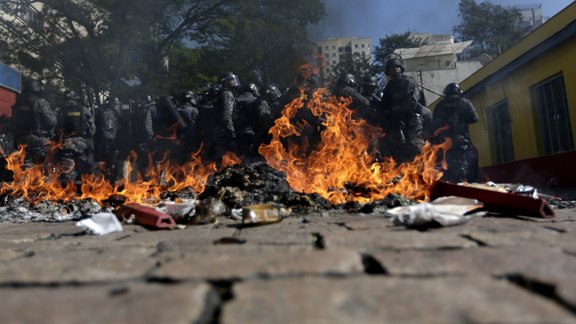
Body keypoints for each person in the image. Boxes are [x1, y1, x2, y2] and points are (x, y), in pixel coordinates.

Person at [379, 58, 425, 163]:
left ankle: (422, 173)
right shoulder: (389, 86)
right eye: (392, 68)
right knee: (397, 150)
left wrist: (396, 111)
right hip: (396, 122)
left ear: (401, 68)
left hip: (411, 119)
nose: (395, 70)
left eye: (397, 67)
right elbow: (384, 104)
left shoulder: (408, 81)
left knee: (416, 148)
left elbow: (412, 102)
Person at [432, 82, 480, 183]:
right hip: (461, 139)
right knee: (466, 161)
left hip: (444, 141)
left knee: (445, 164)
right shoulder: (465, 102)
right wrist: (463, 120)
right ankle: (465, 184)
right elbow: (474, 119)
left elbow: (435, 123)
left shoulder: (440, 105)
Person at [10, 79, 57, 165]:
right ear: (37, 88)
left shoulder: (17, 103)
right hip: (37, 140)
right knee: (51, 160)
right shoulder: (40, 102)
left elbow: (12, 121)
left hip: (20, 140)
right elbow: (52, 121)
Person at [54, 89, 96, 184]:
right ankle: (82, 188)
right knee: (83, 167)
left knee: (67, 168)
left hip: (65, 142)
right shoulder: (83, 109)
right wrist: (89, 139)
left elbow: (53, 125)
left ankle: (67, 187)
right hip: (81, 142)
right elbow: (92, 127)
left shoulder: (59, 109)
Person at [95, 96, 122, 181]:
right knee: (109, 167)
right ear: (113, 105)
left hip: (107, 144)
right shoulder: (108, 114)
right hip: (108, 145)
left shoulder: (111, 113)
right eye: (117, 105)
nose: (118, 106)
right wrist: (112, 145)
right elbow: (107, 132)